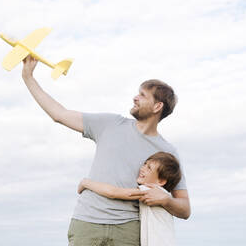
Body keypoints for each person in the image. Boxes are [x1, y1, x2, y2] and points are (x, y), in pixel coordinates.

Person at [21, 56, 191, 246]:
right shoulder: (110, 124)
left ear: (157, 106)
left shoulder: (168, 152)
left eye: (143, 95)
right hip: (87, 222)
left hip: (129, 230)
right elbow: (59, 114)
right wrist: (28, 78)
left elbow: (185, 209)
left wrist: (166, 201)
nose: (135, 97)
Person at [77, 151, 182, 246]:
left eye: (149, 168)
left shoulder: (150, 192)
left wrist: (86, 183)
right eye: (145, 164)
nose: (142, 168)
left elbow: (113, 192)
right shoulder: (164, 195)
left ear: (161, 181)